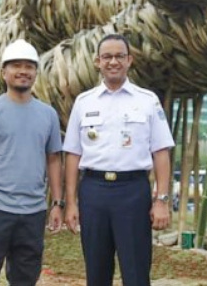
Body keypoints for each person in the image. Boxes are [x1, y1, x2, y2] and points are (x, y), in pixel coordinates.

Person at [63, 33, 175, 286]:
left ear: (129, 60)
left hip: (133, 192)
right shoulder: (84, 102)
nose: (113, 62)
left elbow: (161, 152)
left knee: (136, 271)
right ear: (97, 62)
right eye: (107, 57)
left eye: (119, 56)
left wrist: (162, 200)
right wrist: (71, 203)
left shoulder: (147, 101)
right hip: (94, 191)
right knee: (97, 270)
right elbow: (72, 155)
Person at [0, 39, 63, 286]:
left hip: (33, 212)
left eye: (29, 66)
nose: (23, 71)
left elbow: (54, 160)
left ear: (36, 72)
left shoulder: (48, 114)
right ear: (4, 72)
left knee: (25, 279)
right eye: (16, 65)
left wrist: (57, 204)